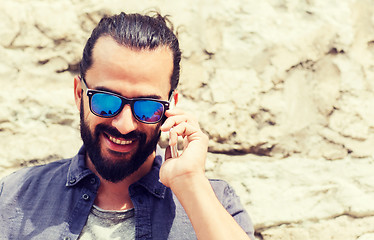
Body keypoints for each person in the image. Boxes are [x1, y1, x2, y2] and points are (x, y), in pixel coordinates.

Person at [0, 12, 255, 240]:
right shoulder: (13, 197)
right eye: (105, 101)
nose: (124, 125)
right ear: (79, 94)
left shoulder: (215, 204)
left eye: (147, 106)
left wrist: (188, 182)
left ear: (170, 106)